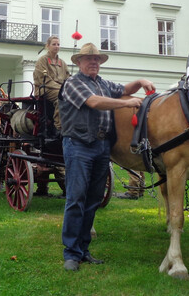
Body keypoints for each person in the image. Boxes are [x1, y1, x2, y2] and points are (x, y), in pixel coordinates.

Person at [59, 42, 155, 271]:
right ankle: (71, 253)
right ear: (79, 62)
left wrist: (140, 82)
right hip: (79, 145)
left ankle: (83, 250)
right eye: (89, 59)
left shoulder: (102, 83)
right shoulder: (73, 83)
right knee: (76, 199)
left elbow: (125, 89)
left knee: (93, 200)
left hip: (101, 147)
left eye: (97, 60)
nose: (94, 62)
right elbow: (94, 102)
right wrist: (126, 104)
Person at [33, 35, 70, 134]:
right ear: (47, 46)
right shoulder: (42, 60)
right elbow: (44, 80)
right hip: (44, 89)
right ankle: (58, 127)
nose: (56, 46)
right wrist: (62, 89)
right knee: (62, 97)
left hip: (59, 89)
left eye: (58, 44)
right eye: (54, 44)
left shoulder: (62, 63)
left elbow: (68, 78)